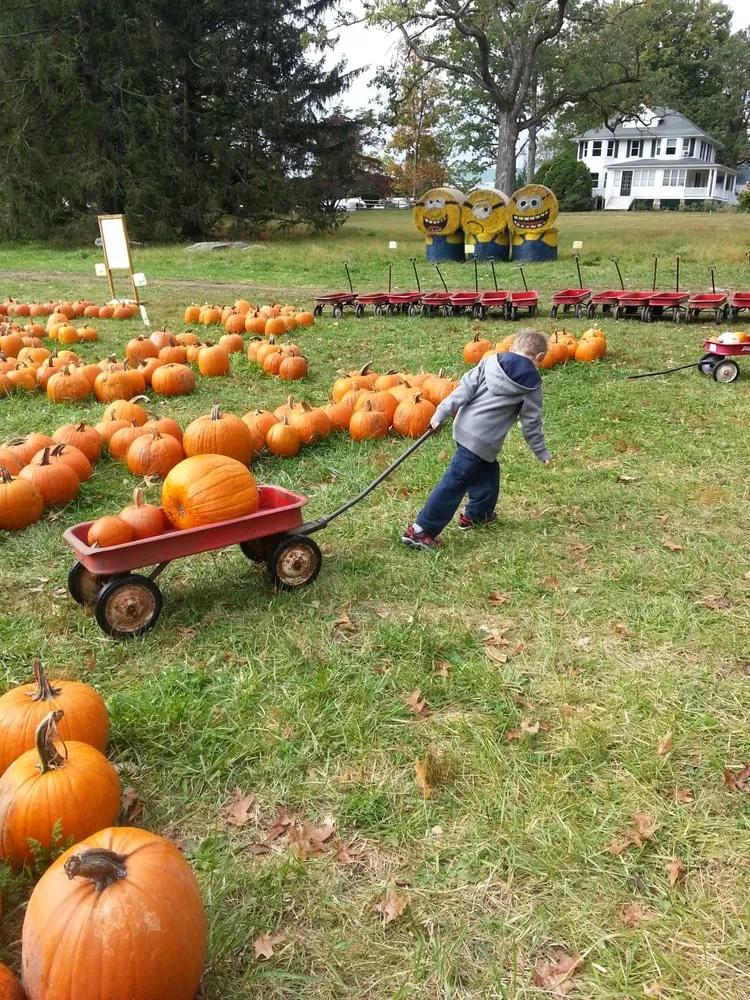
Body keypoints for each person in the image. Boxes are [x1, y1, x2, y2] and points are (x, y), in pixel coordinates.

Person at [401, 328, 552, 552]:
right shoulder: (531, 384)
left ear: (512, 348)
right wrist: (541, 451)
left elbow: (463, 391)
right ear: (540, 357)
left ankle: (478, 514)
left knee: (487, 470)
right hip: (482, 440)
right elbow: (531, 423)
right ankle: (421, 530)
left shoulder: (490, 362)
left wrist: (440, 413)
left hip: (464, 428)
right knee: (455, 482)